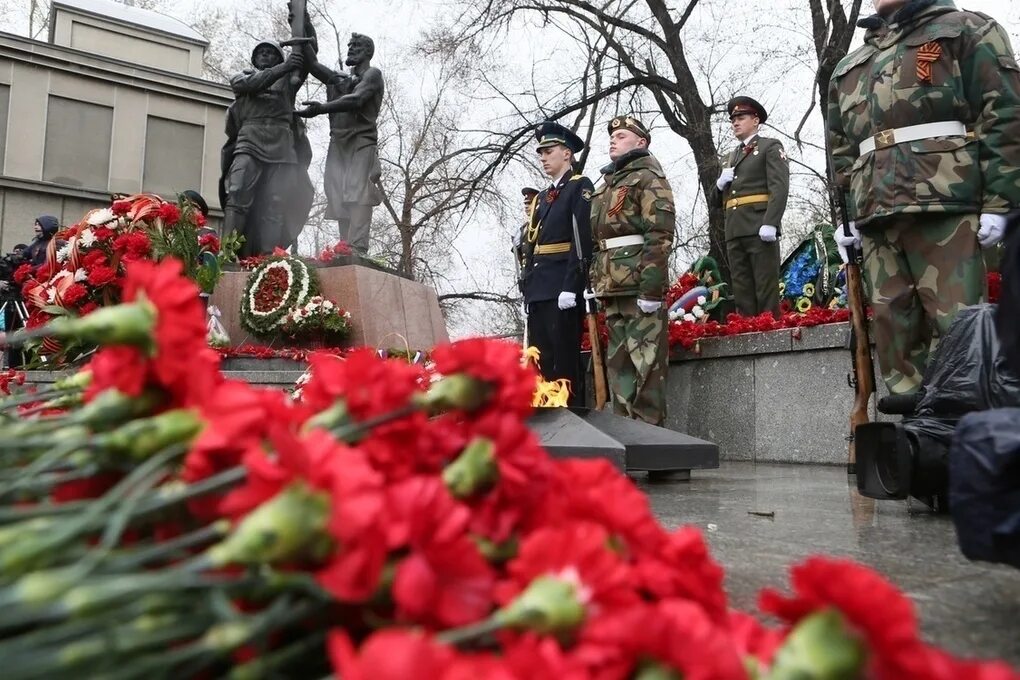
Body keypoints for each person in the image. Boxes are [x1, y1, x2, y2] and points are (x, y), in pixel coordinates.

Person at [827, 0, 1020, 397]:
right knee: (892, 333)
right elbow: (842, 150)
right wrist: (844, 222)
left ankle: (961, 437)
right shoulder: (851, 65)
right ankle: (911, 442)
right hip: (875, 214)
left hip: (948, 203)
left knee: (961, 332)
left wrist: (1002, 202)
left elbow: (1005, 114)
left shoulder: (966, 29)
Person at [589, 115, 676, 425]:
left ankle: (652, 437)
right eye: (612, 135)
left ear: (641, 142)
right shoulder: (608, 184)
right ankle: (625, 431)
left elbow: (659, 235)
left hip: (639, 282)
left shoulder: (649, 178)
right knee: (620, 364)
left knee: (647, 364)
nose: (613, 139)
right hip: (612, 284)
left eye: (622, 135)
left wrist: (651, 288)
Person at [519, 122, 594, 406]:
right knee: (541, 363)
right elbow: (531, 246)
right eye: (540, 153)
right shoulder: (541, 198)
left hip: (562, 288)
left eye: (548, 151)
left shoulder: (579, 187)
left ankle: (572, 420)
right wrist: (528, 288)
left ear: (567, 153)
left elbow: (581, 240)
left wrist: (571, 286)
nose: (543, 157)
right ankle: (546, 420)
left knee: (564, 364)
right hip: (540, 289)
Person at [219, 40, 313, 257]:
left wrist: (303, 23)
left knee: (276, 202)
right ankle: (228, 252)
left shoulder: (291, 80)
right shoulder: (242, 76)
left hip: (282, 147)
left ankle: (268, 256)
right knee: (237, 192)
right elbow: (243, 86)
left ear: (279, 57)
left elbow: (310, 56)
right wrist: (284, 66)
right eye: (261, 52)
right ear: (253, 58)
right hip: (248, 141)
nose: (265, 55)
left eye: (271, 52)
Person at [297, 33, 385, 256]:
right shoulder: (341, 79)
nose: (350, 49)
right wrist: (302, 27)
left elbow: (356, 100)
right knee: (336, 192)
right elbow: (313, 64)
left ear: (367, 52)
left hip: (361, 141)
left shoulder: (373, 75)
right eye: (349, 45)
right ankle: (346, 246)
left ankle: (358, 246)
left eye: (356, 46)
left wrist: (321, 108)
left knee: (358, 190)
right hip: (338, 142)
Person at [715, 96, 789, 318]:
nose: (735, 122)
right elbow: (716, 202)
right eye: (733, 119)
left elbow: (780, 187)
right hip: (735, 230)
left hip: (759, 226)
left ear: (755, 120)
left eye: (741, 117)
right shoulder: (729, 158)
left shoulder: (770, 147)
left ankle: (769, 337)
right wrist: (719, 186)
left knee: (766, 288)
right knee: (742, 291)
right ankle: (746, 333)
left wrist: (771, 223)